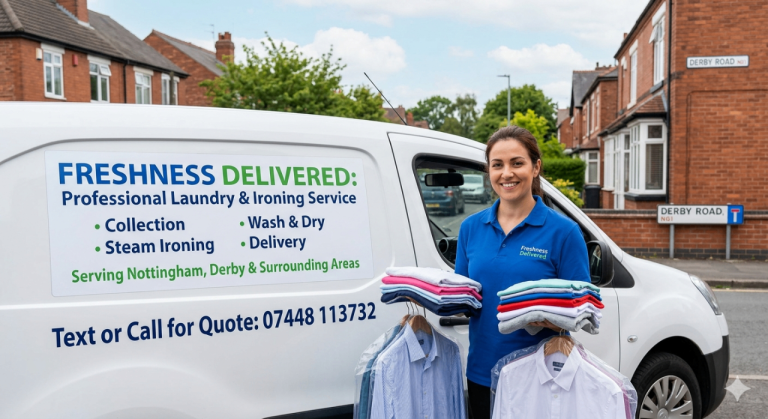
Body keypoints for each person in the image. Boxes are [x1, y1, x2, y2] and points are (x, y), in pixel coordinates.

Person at [454, 126, 591, 419]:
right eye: (497, 165)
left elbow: (581, 310)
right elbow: (466, 301)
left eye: (517, 163)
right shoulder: (470, 228)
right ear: (489, 171)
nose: (507, 173)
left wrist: (541, 316)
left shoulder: (564, 232)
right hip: (481, 374)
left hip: (541, 377)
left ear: (535, 167)